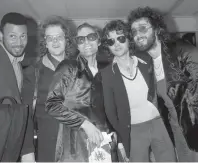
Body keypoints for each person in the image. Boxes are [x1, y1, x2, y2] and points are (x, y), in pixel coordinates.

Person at [95, 19, 176, 162]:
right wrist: (121, 141)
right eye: (111, 41)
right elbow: (111, 112)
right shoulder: (106, 74)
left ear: (128, 39)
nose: (117, 44)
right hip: (133, 130)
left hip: (159, 124)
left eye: (120, 38)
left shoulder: (147, 61)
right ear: (107, 46)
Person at [127, 6, 198, 161]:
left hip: (194, 128)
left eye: (143, 28)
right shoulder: (149, 63)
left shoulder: (183, 51)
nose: (138, 34)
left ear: (158, 30)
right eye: (134, 31)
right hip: (176, 130)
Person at [45, 23, 112, 161]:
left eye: (91, 37)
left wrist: (112, 132)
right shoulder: (69, 66)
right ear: (77, 45)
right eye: (81, 39)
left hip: (101, 144)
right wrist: (84, 124)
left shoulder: (104, 73)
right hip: (75, 146)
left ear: (98, 40)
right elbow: (52, 104)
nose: (86, 42)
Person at [21, 16, 76, 162]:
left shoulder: (78, 68)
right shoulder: (32, 72)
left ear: (67, 39)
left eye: (59, 37)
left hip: (77, 146)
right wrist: (27, 151)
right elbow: (25, 116)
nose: (55, 41)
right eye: (50, 38)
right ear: (45, 42)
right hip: (48, 149)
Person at [0, 12, 35, 162]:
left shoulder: (17, 63)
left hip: (11, 144)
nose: (19, 42)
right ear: (1, 35)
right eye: (12, 36)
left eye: (23, 36)